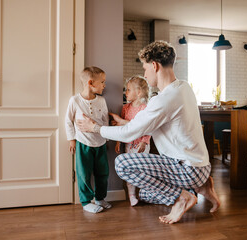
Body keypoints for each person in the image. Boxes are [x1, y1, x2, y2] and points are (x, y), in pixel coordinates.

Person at [77, 41, 220, 224]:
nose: (144, 74)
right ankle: (202, 186)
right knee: (146, 193)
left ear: (154, 65)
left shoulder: (164, 100)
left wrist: (95, 128)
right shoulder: (183, 87)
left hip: (186, 168)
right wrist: (125, 122)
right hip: (200, 165)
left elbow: (129, 133)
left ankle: (183, 197)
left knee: (122, 164)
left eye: (145, 68)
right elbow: (148, 123)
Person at [65, 66, 112, 213]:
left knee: (103, 172)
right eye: (102, 82)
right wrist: (71, 139)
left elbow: (105, 120)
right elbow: (68, 120)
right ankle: (86, 201)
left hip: (101, 143)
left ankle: (100, 198)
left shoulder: (102, 100)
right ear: (91, 83)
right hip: (83, 143)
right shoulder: (75, 100)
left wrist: (107, 137)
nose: (105, 85)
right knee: (83, 173)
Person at [114, 75, 151, 206]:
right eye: (126, 90)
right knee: (130, 170)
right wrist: (119, 141)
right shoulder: (125, 108)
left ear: (139, 92)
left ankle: (145, 193)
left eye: (128, 90)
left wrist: (144, 141)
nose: (126, 93)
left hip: (141, 145)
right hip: (129, 145)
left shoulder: (145, 108)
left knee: (142, 169)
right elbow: (121, 127)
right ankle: (131, 195)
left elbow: (148, 126)